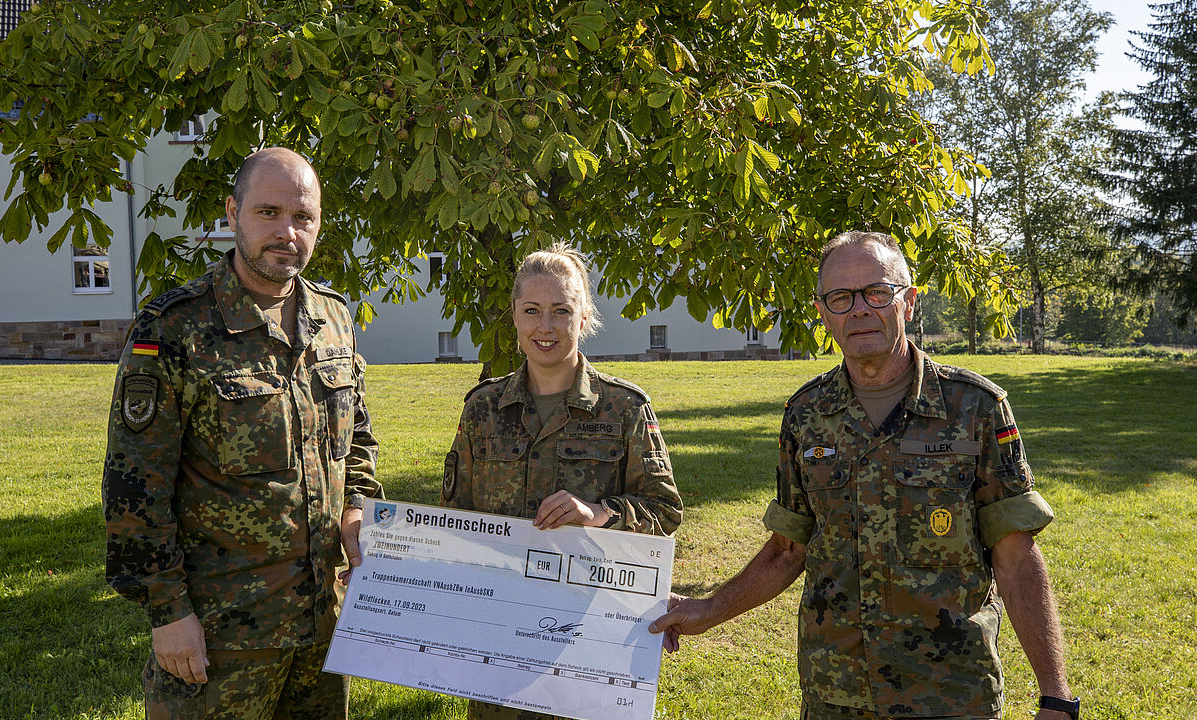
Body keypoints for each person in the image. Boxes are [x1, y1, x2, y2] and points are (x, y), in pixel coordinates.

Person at [649, 231, 1080, 720]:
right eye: (840, 297)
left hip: (949, 695)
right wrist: (708, 609)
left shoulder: (975, 408)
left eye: (877, 292)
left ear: (909, 302)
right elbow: (789, 549)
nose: (859, 309)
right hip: (836, 694)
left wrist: (1055, 696)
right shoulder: (806, 415)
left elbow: (1015, 553)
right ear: (822, 312)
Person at [102, 147, 382, 719]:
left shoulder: (333, 319)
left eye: (303, 217)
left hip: (323, 623)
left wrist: (357, 509)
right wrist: (167, 613)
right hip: (220, 632)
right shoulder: (174, 328)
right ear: (232, 213)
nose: (288, 232)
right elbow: (135, 486)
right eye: (269, 212)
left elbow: (357, 441)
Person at [442, 242, 684, 720]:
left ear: (584, 315)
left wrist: (599, 514)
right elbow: (455, 521)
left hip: (590, 638)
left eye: (561, 310)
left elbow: (665, 511)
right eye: (532, 310)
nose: (545, 327)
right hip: (500, 636)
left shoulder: (625, 409)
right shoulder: (482, 410)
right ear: (514, 315)